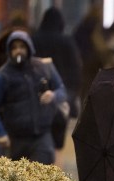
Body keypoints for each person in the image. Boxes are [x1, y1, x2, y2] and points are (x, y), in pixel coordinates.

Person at [0, 30, 67, 165]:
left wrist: (53, 95)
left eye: (22, 47)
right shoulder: (3, 75)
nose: (19, 51)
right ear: (9, 51)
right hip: (15, 138)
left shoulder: (43, 67)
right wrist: (0, 133)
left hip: (41, 136)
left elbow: (62, 90)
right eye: (14, 47)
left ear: (29, 47)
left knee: (40, 175)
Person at [32, 6, 82, 167]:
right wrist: (72, 93)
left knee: (39, 134)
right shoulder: (67, 41)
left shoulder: (35, 39)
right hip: (62, 96)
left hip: (38, 96)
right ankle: (55, 172)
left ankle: (39, 169)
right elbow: (76, 69)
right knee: (58, 137)